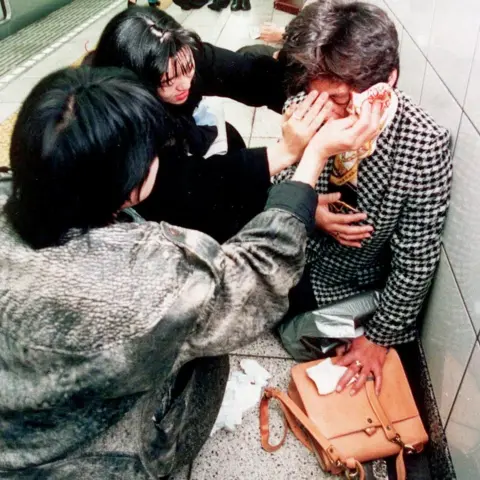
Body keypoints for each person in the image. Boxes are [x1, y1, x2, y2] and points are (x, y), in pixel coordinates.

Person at [0, 66, 381, 478]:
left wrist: (284, 155)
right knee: (210, 360)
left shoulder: (23, 193)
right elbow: (257, 279)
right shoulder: (150, 274)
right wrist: (313, 158)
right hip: (72, 462)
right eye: (153, 151)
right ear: (129, 184)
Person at [274, 0, 453, 395]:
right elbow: (280, 190)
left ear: (388, 81)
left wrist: (378, 338)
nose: (327, 114)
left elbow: (416, 258)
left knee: (294, 337)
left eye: (340, 100)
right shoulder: (309, 108)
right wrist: (312, 211)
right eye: (317, 97)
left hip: (355, 275)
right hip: (304, 252)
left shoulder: (422, 144)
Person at [89, 6, 318, 242]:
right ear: (137, 84)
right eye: (167, 81)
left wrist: (310, 95)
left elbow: (246, 74)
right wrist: (285, 157)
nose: (184, 85)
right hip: (158, 203)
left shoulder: (178, 56)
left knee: (231, 139)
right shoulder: (118, 122)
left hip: (183, 149)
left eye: (188, 68)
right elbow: (187, 186)